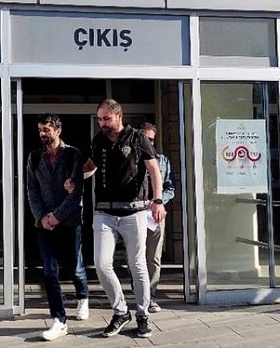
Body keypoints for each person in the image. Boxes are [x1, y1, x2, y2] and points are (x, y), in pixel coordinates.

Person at [85, 99, 167, 339]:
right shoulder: (98, 140)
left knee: (137, 265)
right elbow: (91, 166)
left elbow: (154, 169)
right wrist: (75, 177)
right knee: (101, 264)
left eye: (106, 119)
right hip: (104, 212)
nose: (102, 123)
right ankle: (121, 311)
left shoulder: (138, 138)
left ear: (119, 116)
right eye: (99, 119)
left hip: (134, 211)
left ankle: (142, 315)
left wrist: (158, 200)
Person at [26, 114, 89, 342]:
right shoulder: (34, 158)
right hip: (44, 224)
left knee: (75, 266)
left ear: (58, 130)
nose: (42, 134)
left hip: (69, 221)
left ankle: (82, 296)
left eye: (47, 130)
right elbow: (32, 190)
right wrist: (43, 217)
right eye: (40, 130)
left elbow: (76, 193)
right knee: (50, 271)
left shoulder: (73, 155)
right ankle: (59, 320)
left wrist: (56, 216)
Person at [139, 123, 175, 313]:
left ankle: (151, 296)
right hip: (135, 212)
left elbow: (170, 187)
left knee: (153, 257)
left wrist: (158, 201)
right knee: (136, 256)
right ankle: (139, 293)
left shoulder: (163, 161)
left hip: (155, 214)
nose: (148, 142)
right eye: (145, 138)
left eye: (151, 139)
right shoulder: (131, 159)